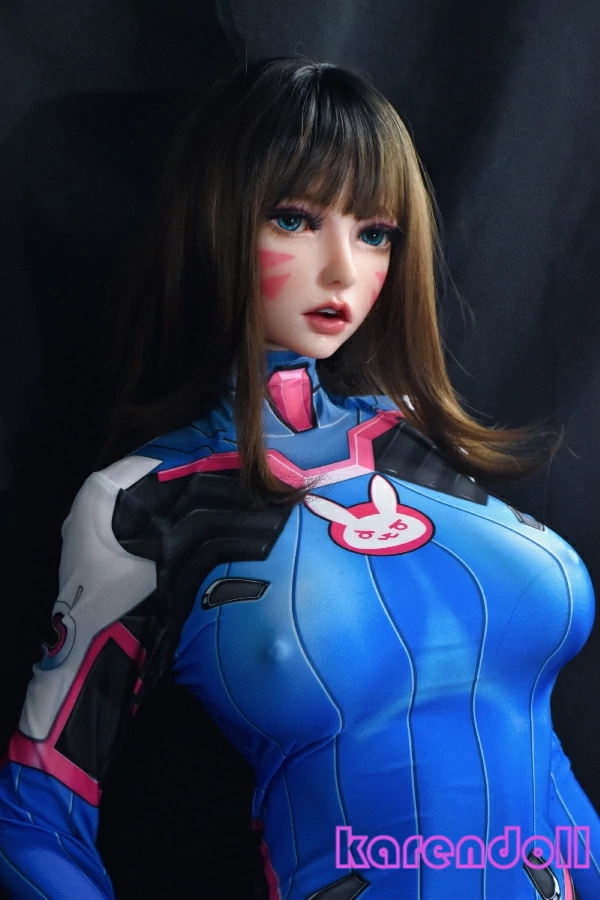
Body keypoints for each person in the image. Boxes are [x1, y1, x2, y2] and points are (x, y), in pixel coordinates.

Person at [0, 56, 598, 900]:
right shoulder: (145, 503)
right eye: (294, 218)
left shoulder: (419, 438)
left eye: (375, 232)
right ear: (216, 222)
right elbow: (31, 814)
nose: (343, 270)